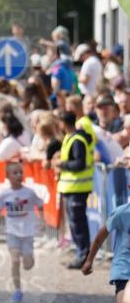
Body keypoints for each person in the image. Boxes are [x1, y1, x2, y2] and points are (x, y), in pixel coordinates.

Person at [0, 162, 44, 303]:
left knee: (28, 265)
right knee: (15, 260)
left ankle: (29, 257)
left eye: (20, 172)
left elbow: (40, 205)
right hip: (12, 232)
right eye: (15, 173)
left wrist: (42, 221)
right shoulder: (5, 194)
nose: (19, 175)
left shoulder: (29, 192)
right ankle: (17, 291)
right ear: (7, 176)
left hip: (27, 232)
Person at [53, 110, 94, 269]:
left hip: (78, 187)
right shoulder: (70, 138)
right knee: (75, 223)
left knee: (78, 223)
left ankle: (83, 256)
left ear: (63, 123)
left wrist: (61, 164)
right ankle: (80, 253)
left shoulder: (77, 140)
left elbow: (79, 164)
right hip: (71, 187)